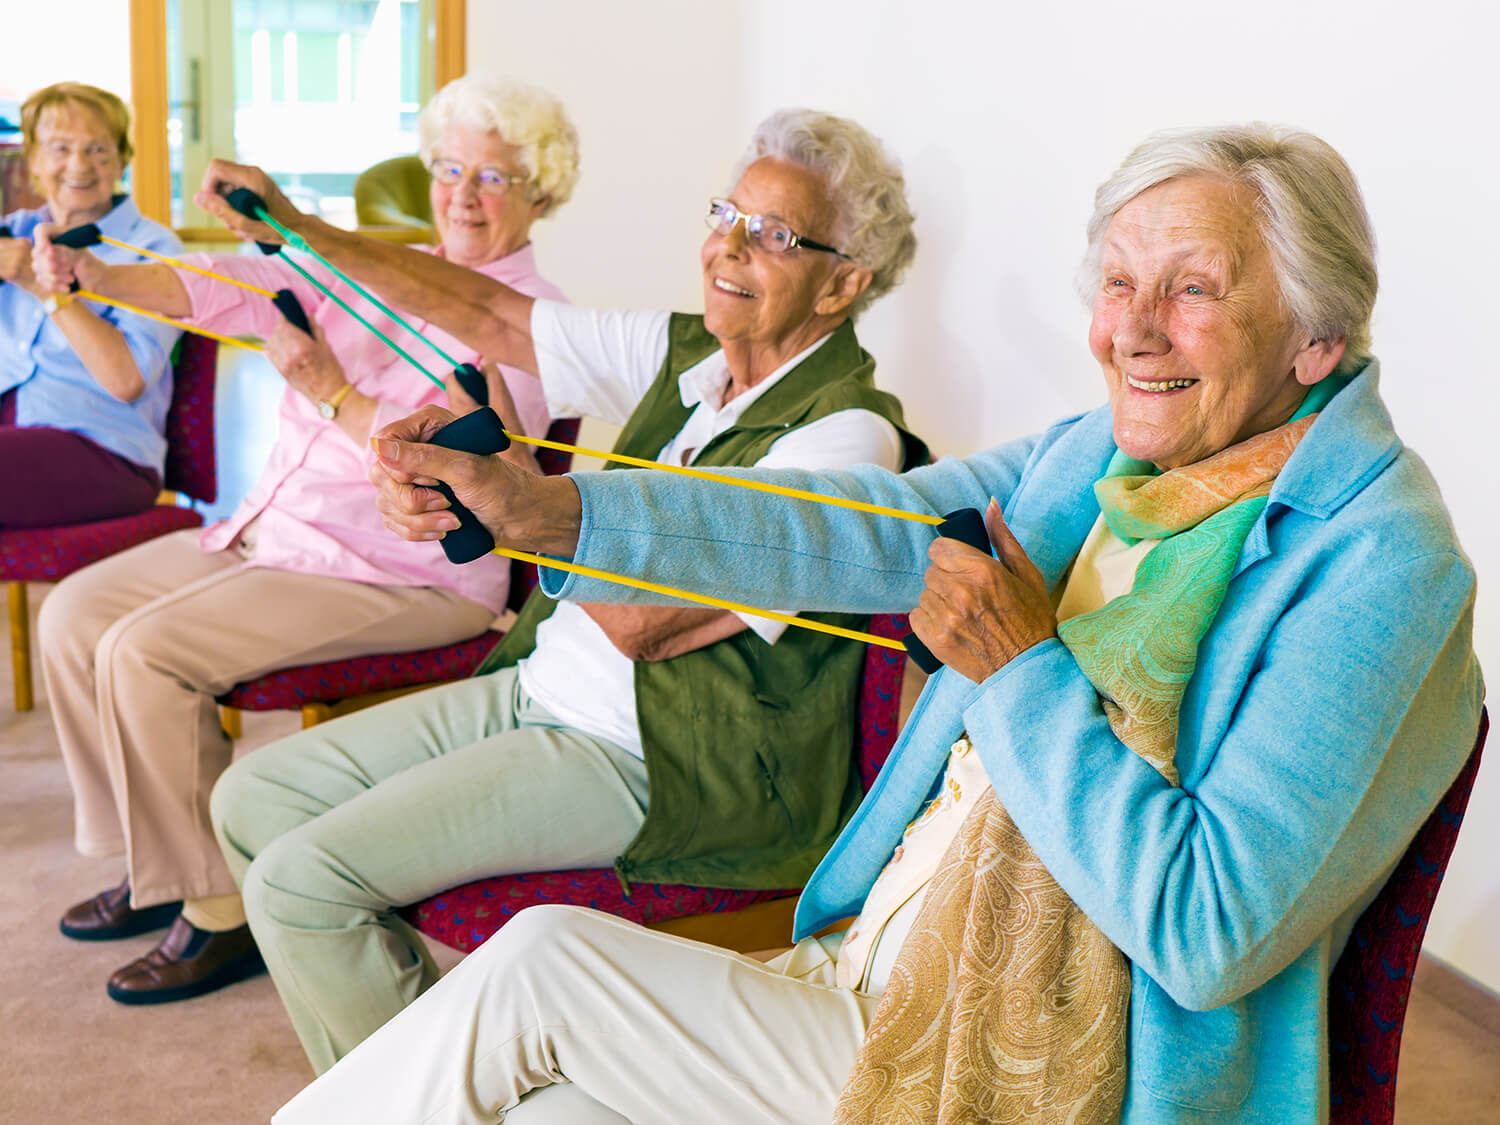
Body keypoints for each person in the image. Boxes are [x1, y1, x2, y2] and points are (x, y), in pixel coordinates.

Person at [273, 123, 1482, 1125]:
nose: (1134, 331)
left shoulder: (1383, 564)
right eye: (1119, 283)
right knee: (550, 1110)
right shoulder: (1100, 456)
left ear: (1319, 336)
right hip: (884, 970)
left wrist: (1022, 668)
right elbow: (846, 525)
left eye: (1195, 289)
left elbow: (1207, 933)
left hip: (1050, 1066)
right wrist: (551, 512)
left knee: (543, 967)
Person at [203, 107, 930, 1074]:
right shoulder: (691, 357)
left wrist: (521, 502)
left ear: (843, 282)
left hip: (660, 754)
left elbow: (644, 624)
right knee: (252, 797)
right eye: (726, 215)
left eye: (775, 235)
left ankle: (414, 1093)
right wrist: (301, 230)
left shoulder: (845, 438)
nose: (729, 246)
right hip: (540, 688)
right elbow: (489, 314)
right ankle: (432, 1069)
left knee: (301, 884)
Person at [26, 74, 576, 1007]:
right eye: (450, 169)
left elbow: (460, 475)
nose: (464, 195)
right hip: (277, 530)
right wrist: (97, 278)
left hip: (399, 571)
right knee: (74, 616)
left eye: (495, 176)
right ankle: (157, 864)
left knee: (143, 652)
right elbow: (224, 288)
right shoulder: (386, 264)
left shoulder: (530, 317)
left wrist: (329, 390)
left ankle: (216, 907)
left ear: (541, 191)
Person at [0, 82, 181, 527]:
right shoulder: (14, 231)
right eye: (60, 148)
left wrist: (44, 289)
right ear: (34, 159)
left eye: (98, 149)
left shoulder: (154, 250)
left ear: (123, 159)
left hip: (105, 450)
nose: (79, 165)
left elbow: (126, 380)